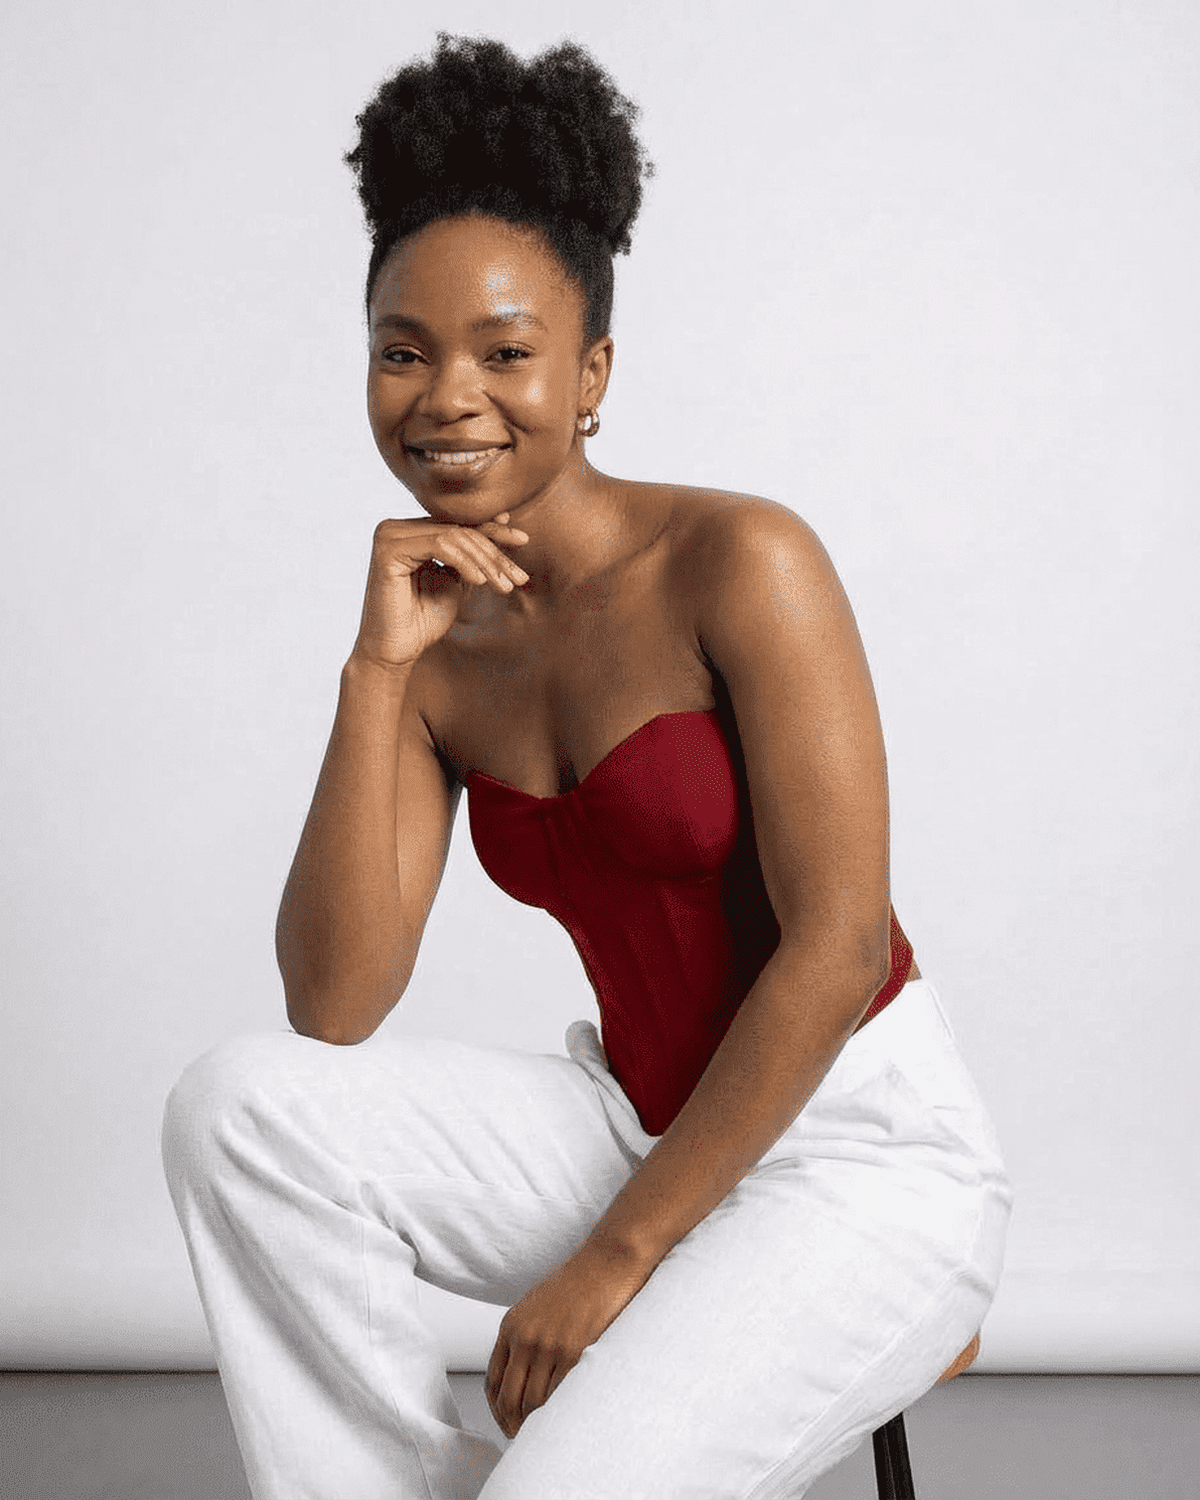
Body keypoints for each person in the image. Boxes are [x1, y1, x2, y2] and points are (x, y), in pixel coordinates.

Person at [162, 33, 1012, 1500]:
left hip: (860, 1155)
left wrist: (614, 1261)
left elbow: (838, 944)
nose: (447, 398)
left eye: (506, 351)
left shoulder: (741, 559)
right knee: (233, 1106)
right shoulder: (434, 652)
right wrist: (376, 674)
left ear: (594, 368)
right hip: (638, 1126)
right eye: (402, 350)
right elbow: (335, 1004)